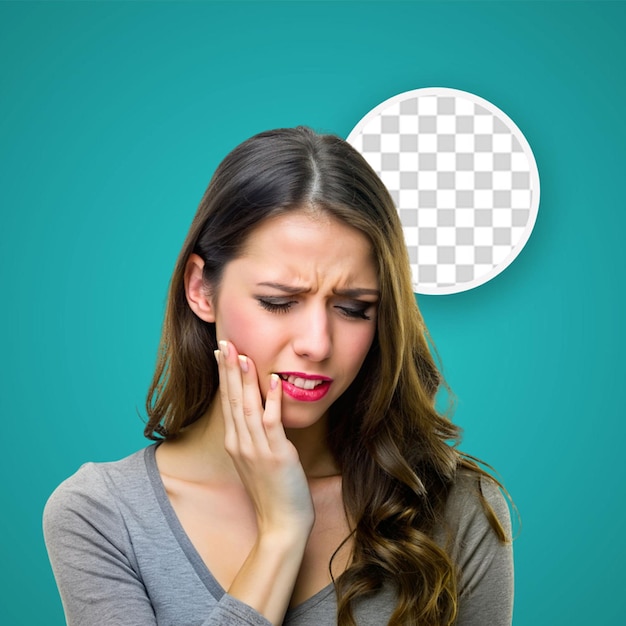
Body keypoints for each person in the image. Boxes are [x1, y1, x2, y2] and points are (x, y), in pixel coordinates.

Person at [43, 126, 513, 626]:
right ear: (201, 289)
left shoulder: (455, 506)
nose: (317, 343)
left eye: (354, 308)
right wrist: (283, 532)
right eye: (279, 302)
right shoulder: (101, 515)